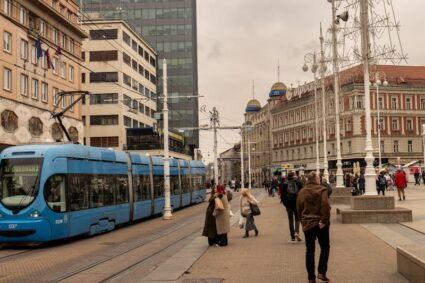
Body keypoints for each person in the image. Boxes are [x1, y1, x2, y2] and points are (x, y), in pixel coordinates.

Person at [297, 172, 331, 283]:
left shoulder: (302, 192)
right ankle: (321, 272)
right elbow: (325, 205)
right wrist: (325, 220)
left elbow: (298, 208)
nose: (319, 179)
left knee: (310, 250)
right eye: (318, 177)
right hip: (321, 223)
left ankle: (311, 278)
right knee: (325, 247)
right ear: (316, 179)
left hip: (308, 223)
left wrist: (303, 221)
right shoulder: (322, 190)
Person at [280, 171, 303, 242]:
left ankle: (292, 237)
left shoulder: (284, 185)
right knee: (297, 219)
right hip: (296, 204)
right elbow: (302, 193)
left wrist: (286, 204)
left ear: (287, 177)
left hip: (288, 205)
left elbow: (282, 197)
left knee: (290, 220)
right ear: (294, 176)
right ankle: (297, 232)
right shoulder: (298, 183)